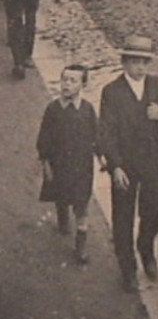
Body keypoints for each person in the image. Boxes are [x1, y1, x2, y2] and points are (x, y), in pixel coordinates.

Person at [98, 34, 158, 291]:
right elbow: (106, 132)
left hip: (152, 158)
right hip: (125, 164)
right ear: (124, 62)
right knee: (123, 217)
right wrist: (115, 166)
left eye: (144, 62)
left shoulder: (155, 84)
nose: (140, 67)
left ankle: (146, 247)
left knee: (156, 208)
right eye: (135, 62)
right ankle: (128, 268)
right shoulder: (112, 91)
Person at [37, 63, 99, 265]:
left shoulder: (87, 109)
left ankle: (80, 247)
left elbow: (96, 136)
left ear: (82, 85)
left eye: (73, 81)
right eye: (65, 79)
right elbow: (44, 139)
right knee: (61, 194)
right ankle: (62, 217)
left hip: (82, 167)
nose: (67, 84)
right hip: (59, 164)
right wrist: (46, 164)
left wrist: (102, 155)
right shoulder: (53, 109)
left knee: (81, 206)